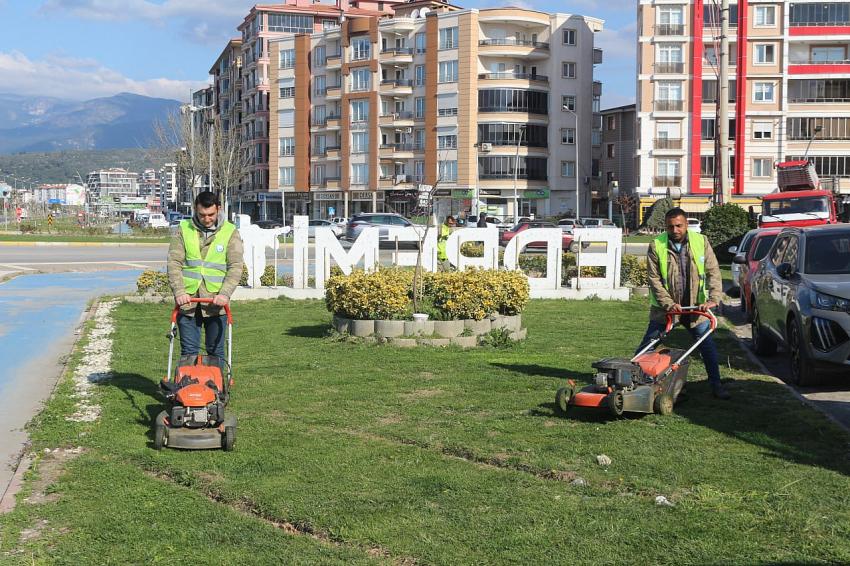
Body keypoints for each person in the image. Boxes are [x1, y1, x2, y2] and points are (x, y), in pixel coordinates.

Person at [638, 207, 730, 400]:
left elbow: (713, 271)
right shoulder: (657, 245)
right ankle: (634, 379)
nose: (675, 230)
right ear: (665, 227)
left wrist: (713, 299)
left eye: (679, 225)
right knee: (648, 345)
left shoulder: (700, 242)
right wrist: (668, 303)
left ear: (686, 224)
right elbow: (653, 279)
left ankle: (716, 385)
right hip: (665, 310)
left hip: (696, 308)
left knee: (707, 346)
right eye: (671, 226)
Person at [167, 191, 244, 364]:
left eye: (211, 214)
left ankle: (215, 389)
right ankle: (187, 387)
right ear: (195, 209)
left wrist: (224, 294)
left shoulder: (230, 232)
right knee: (189, 352)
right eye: (202, 215)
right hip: (188, 301)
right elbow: (174, 263)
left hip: (216, 302)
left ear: (219, 209)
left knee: (215, 352)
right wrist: (179, 291)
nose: (206, 219)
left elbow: (236, 266)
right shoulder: (183, 229)